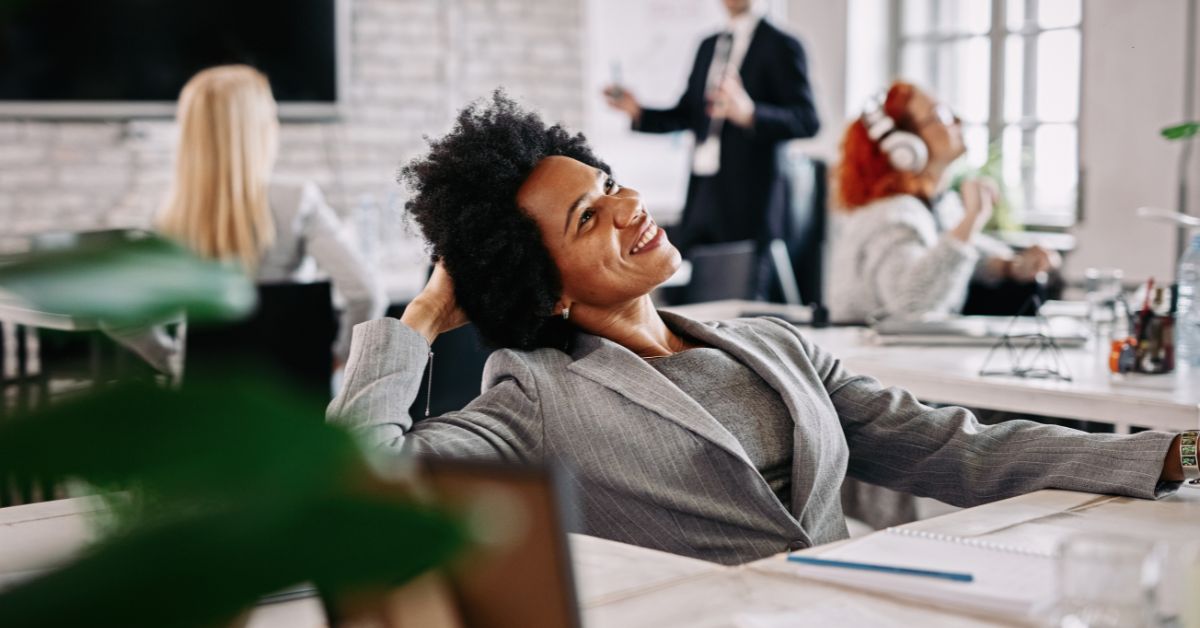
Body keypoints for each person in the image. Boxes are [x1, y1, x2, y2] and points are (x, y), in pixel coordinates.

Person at [328, 92, 1190, 566]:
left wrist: (1175, 456)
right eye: (590, 217)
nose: (631, 206)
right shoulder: (535, 399)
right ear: (544, 287)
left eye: (612, 182)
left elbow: (950, 447)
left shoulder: (774, 344)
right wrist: (427, 314)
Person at [119, 65, 386, 376]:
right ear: (261, 128)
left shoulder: (169, 214)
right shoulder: (297, 200)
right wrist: (339, 356)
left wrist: (170, 359)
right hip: (294, 394)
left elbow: (123, 316)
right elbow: (365, 292)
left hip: (207, 396)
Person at [602, 0, 819, 270]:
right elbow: (688, 114)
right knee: (699, 282)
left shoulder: (782, 44)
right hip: (704, 188)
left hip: (750, 195)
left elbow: (807, 120)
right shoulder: (707, 45)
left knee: (741, 283)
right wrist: (638, 112)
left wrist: (750, 114)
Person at [827, 81, 1060, 324]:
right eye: (941, 115)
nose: (958, 121)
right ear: (903, 146)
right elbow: (912, 306)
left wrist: (1012, 266)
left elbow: (957, 259)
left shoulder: (936, 205)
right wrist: (970, 220)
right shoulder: (890, 215)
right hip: (866, 358)